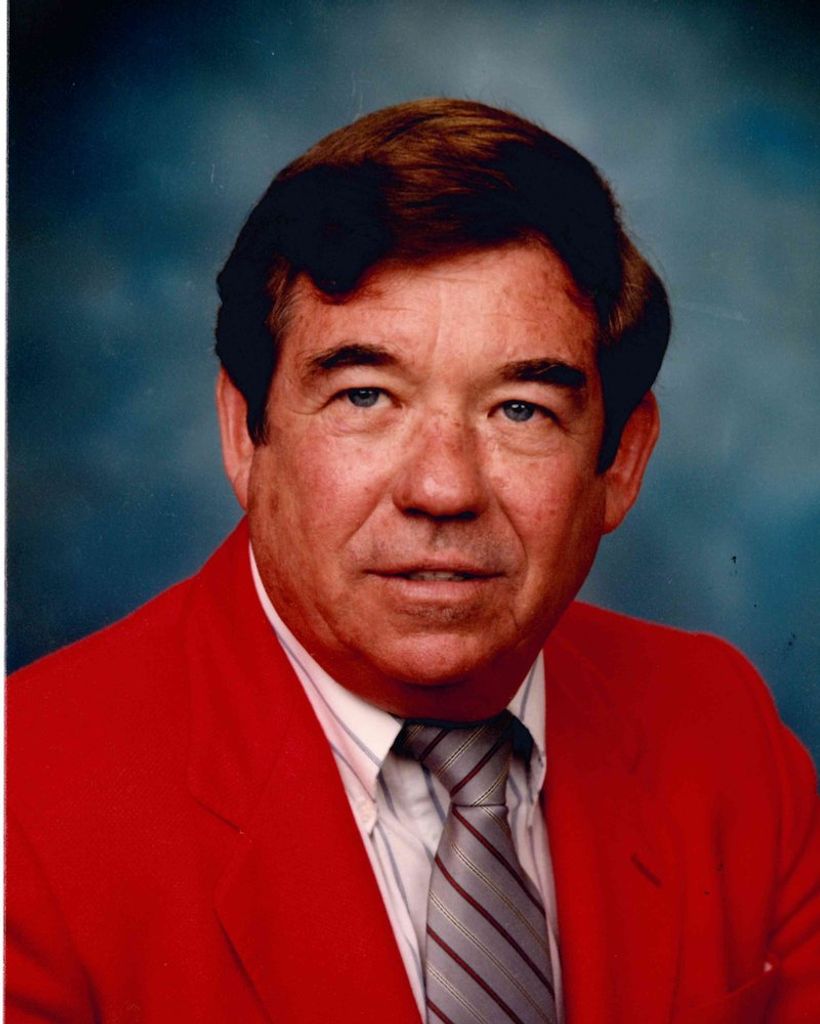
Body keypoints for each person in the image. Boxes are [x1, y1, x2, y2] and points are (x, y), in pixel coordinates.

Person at [7, 98, 819, 1024]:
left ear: (621, 462)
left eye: (520, 410)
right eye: (366, 396)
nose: (442, 488)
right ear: (245, 431)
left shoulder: (723, 730)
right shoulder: (24, 803)